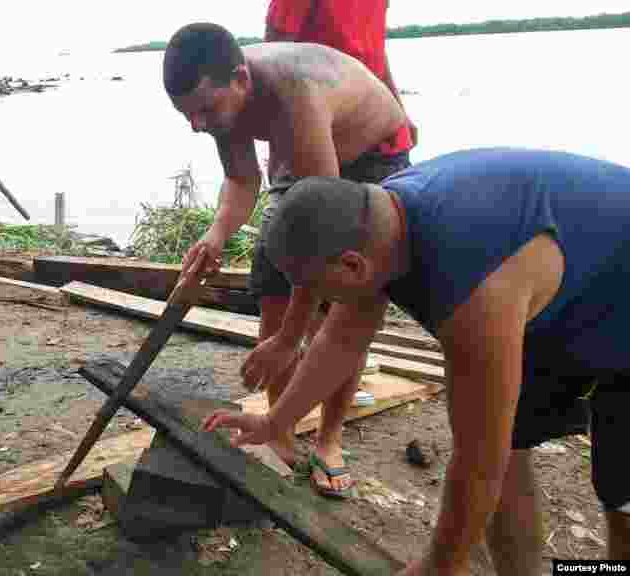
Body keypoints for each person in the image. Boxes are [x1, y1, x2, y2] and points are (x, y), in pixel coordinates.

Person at [203, 147, 630, 574]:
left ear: (352, 266)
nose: (321, 304)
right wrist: (276, 422)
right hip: (559, 290)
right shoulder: (379, 222)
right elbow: (340, 339)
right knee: (512, 447)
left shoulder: (473, 296)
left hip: (611, 290)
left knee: (621, 495)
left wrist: (438, 565)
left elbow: (478, 460)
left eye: (318, 290)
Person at [163, 22, 408, 497]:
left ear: (242, 79)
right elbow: (241, 181)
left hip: (370, 155)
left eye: (205, 110)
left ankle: (330, 439)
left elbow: (323, 241)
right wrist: (214, 236)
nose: (198, 124)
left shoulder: (295, 93)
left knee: (344, 312)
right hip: (306, 161)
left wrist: (292, 336)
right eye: (188, 116)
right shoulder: (220, 104)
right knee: (271, 280)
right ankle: (280, 428)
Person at [265, 0, 417, 149]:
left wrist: (402, 115)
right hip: (330, 140)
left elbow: (374, 49)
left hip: (388, 137)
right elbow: (274, 60)